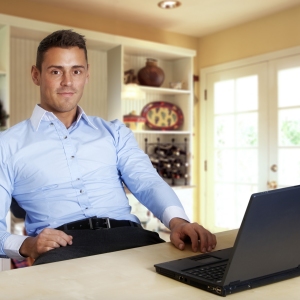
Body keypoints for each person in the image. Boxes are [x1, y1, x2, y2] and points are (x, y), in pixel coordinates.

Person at [0, 30, 216, 265]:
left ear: (87, 75)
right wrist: (27, 245)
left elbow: (146, 181)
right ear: (36, 75)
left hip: (133, 239)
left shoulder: (115, 132)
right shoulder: (7, 145)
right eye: (55, 71)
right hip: (63, 250)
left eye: (76, 71)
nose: (68, 82)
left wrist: (178, 222)